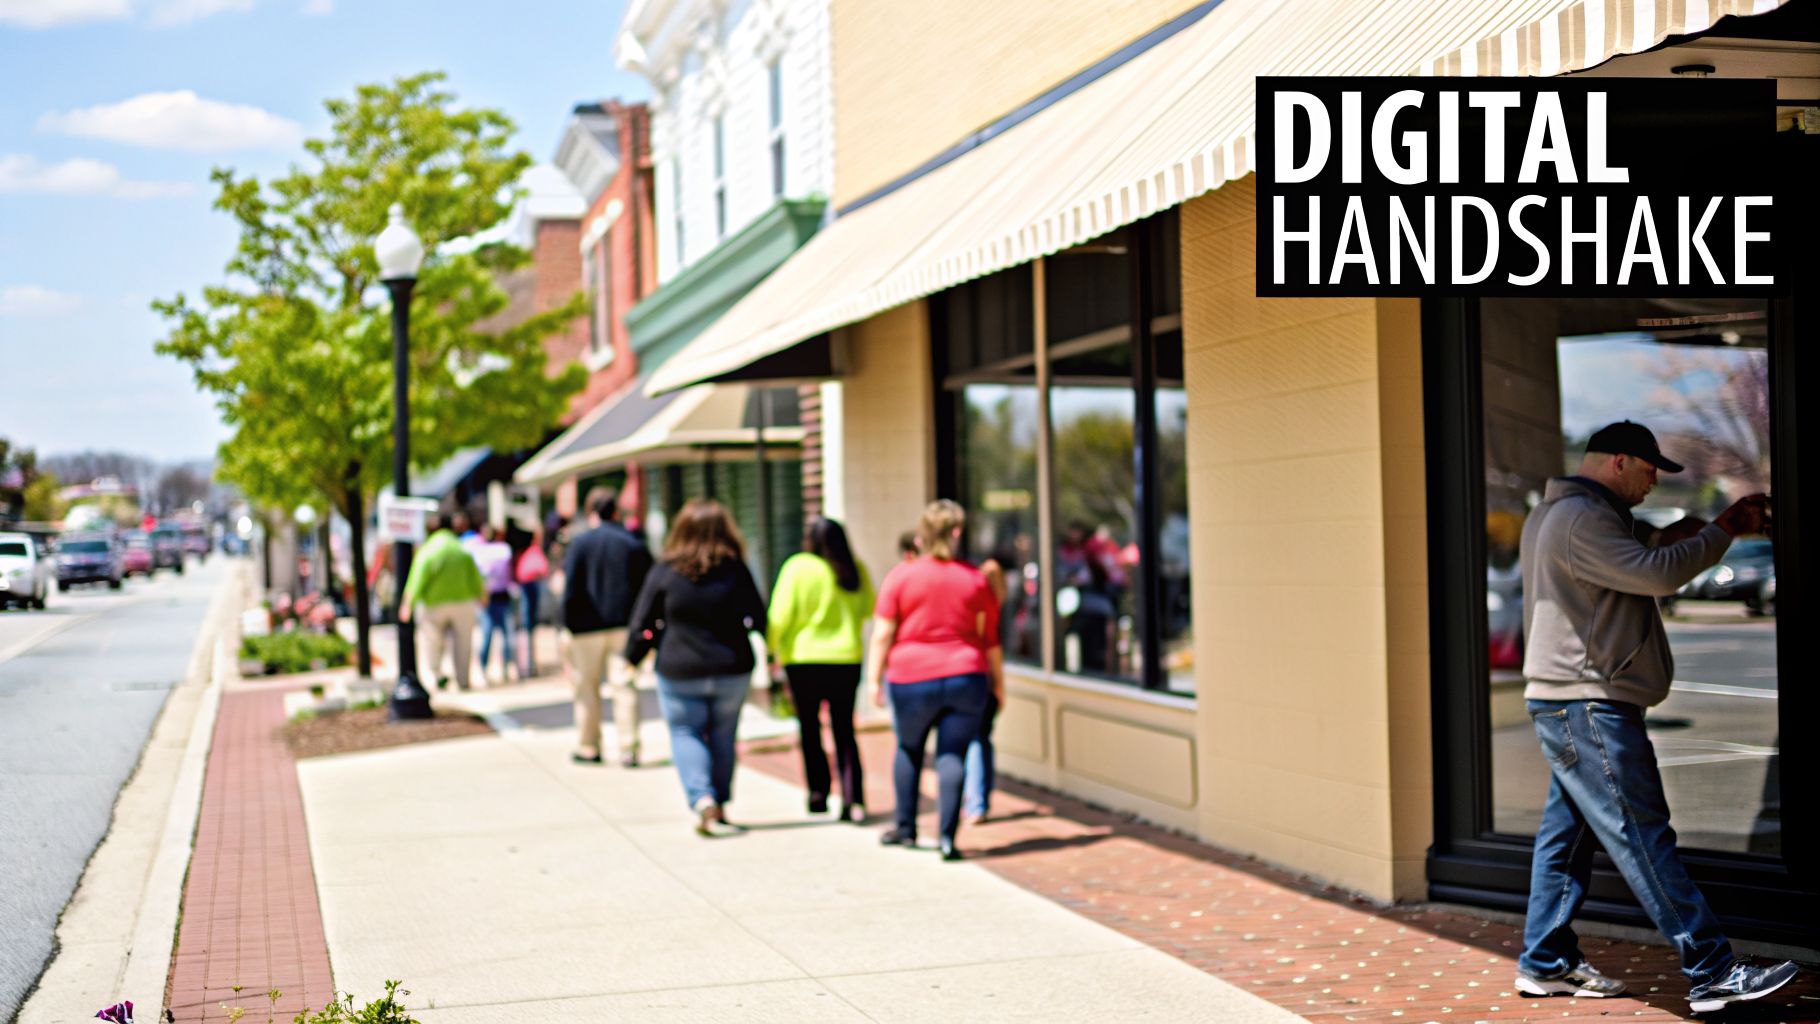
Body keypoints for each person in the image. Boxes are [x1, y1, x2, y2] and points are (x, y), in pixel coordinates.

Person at [1516, 420, 1795, 1013]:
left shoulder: (1565, 514)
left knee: (1567, 839)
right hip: (1588, 702)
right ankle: (1712, 970)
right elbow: (1655, 574)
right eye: (1649, 471)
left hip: (1571, 700)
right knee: (1642, 833)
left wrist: (1690, 532)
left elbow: (1640, 555)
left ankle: (1546, 960)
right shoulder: (1581, 519)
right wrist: (1723, 528)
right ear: (1620, 461)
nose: (1652, 484)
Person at [868, 499, 1002, 861]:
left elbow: (883, 633)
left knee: (909, 749)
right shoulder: (974, 579)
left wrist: (873, 678)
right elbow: (990, 640)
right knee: (952, 754)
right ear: (956, 533)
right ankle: (947, 838)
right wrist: (999, 685)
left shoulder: (902, 576)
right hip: (966, 675)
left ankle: (907, 828)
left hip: (912, 678)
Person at [625, 499, 768, 836]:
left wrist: (633, 656)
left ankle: (703, 799)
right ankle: (719, 801)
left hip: (679, 667)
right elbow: (758, 616)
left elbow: (642, 621)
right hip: (731, 666)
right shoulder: (735, 569)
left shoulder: (665, 570)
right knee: (723, 735)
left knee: (685, 732)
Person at [768, 517, 874, 821]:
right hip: (846, 659)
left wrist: (772, 650)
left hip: (803, 661)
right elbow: (868, 608)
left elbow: (779, 615)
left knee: (809, 728)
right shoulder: (855, 568)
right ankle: (854, 799)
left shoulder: (798, 567)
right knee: (844, 729)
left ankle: (818, 794)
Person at [561, 488, 652, 767]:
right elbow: (648, 589)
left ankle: (589, 746)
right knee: (624, 685)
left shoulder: (579, 544)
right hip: (624, 625)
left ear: (590, 513)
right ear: (615, 511)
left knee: (586, 688)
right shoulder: (633, 544)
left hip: (585, 628)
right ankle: (629, 747)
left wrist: (566, 626)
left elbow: (571, 589)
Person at [399, 512, 485, 691]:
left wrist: (408, 604)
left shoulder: (428, 550)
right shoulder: (461, 548)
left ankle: (437, 674)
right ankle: (463, 680)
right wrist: (482, 595)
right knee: (463, 643)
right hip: (463, 603)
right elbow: (476, 577)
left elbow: (417, 578)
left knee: (432, 640)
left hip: (434, 605)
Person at [471, 523, 517, 685]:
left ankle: (484, 669)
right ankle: (505, 667)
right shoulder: (503, 550)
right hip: (499, 595)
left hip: (486, 596)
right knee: (505, 634)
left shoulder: (478, 552)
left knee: (488, 634)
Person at [515, 526, 551, 679]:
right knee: (527, 629)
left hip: (528, 590)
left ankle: (528, 666)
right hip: (530, 590)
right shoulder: (533, 553)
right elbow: (542, 569)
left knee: (528, 630)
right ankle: (528, 666)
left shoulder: (529, 554)